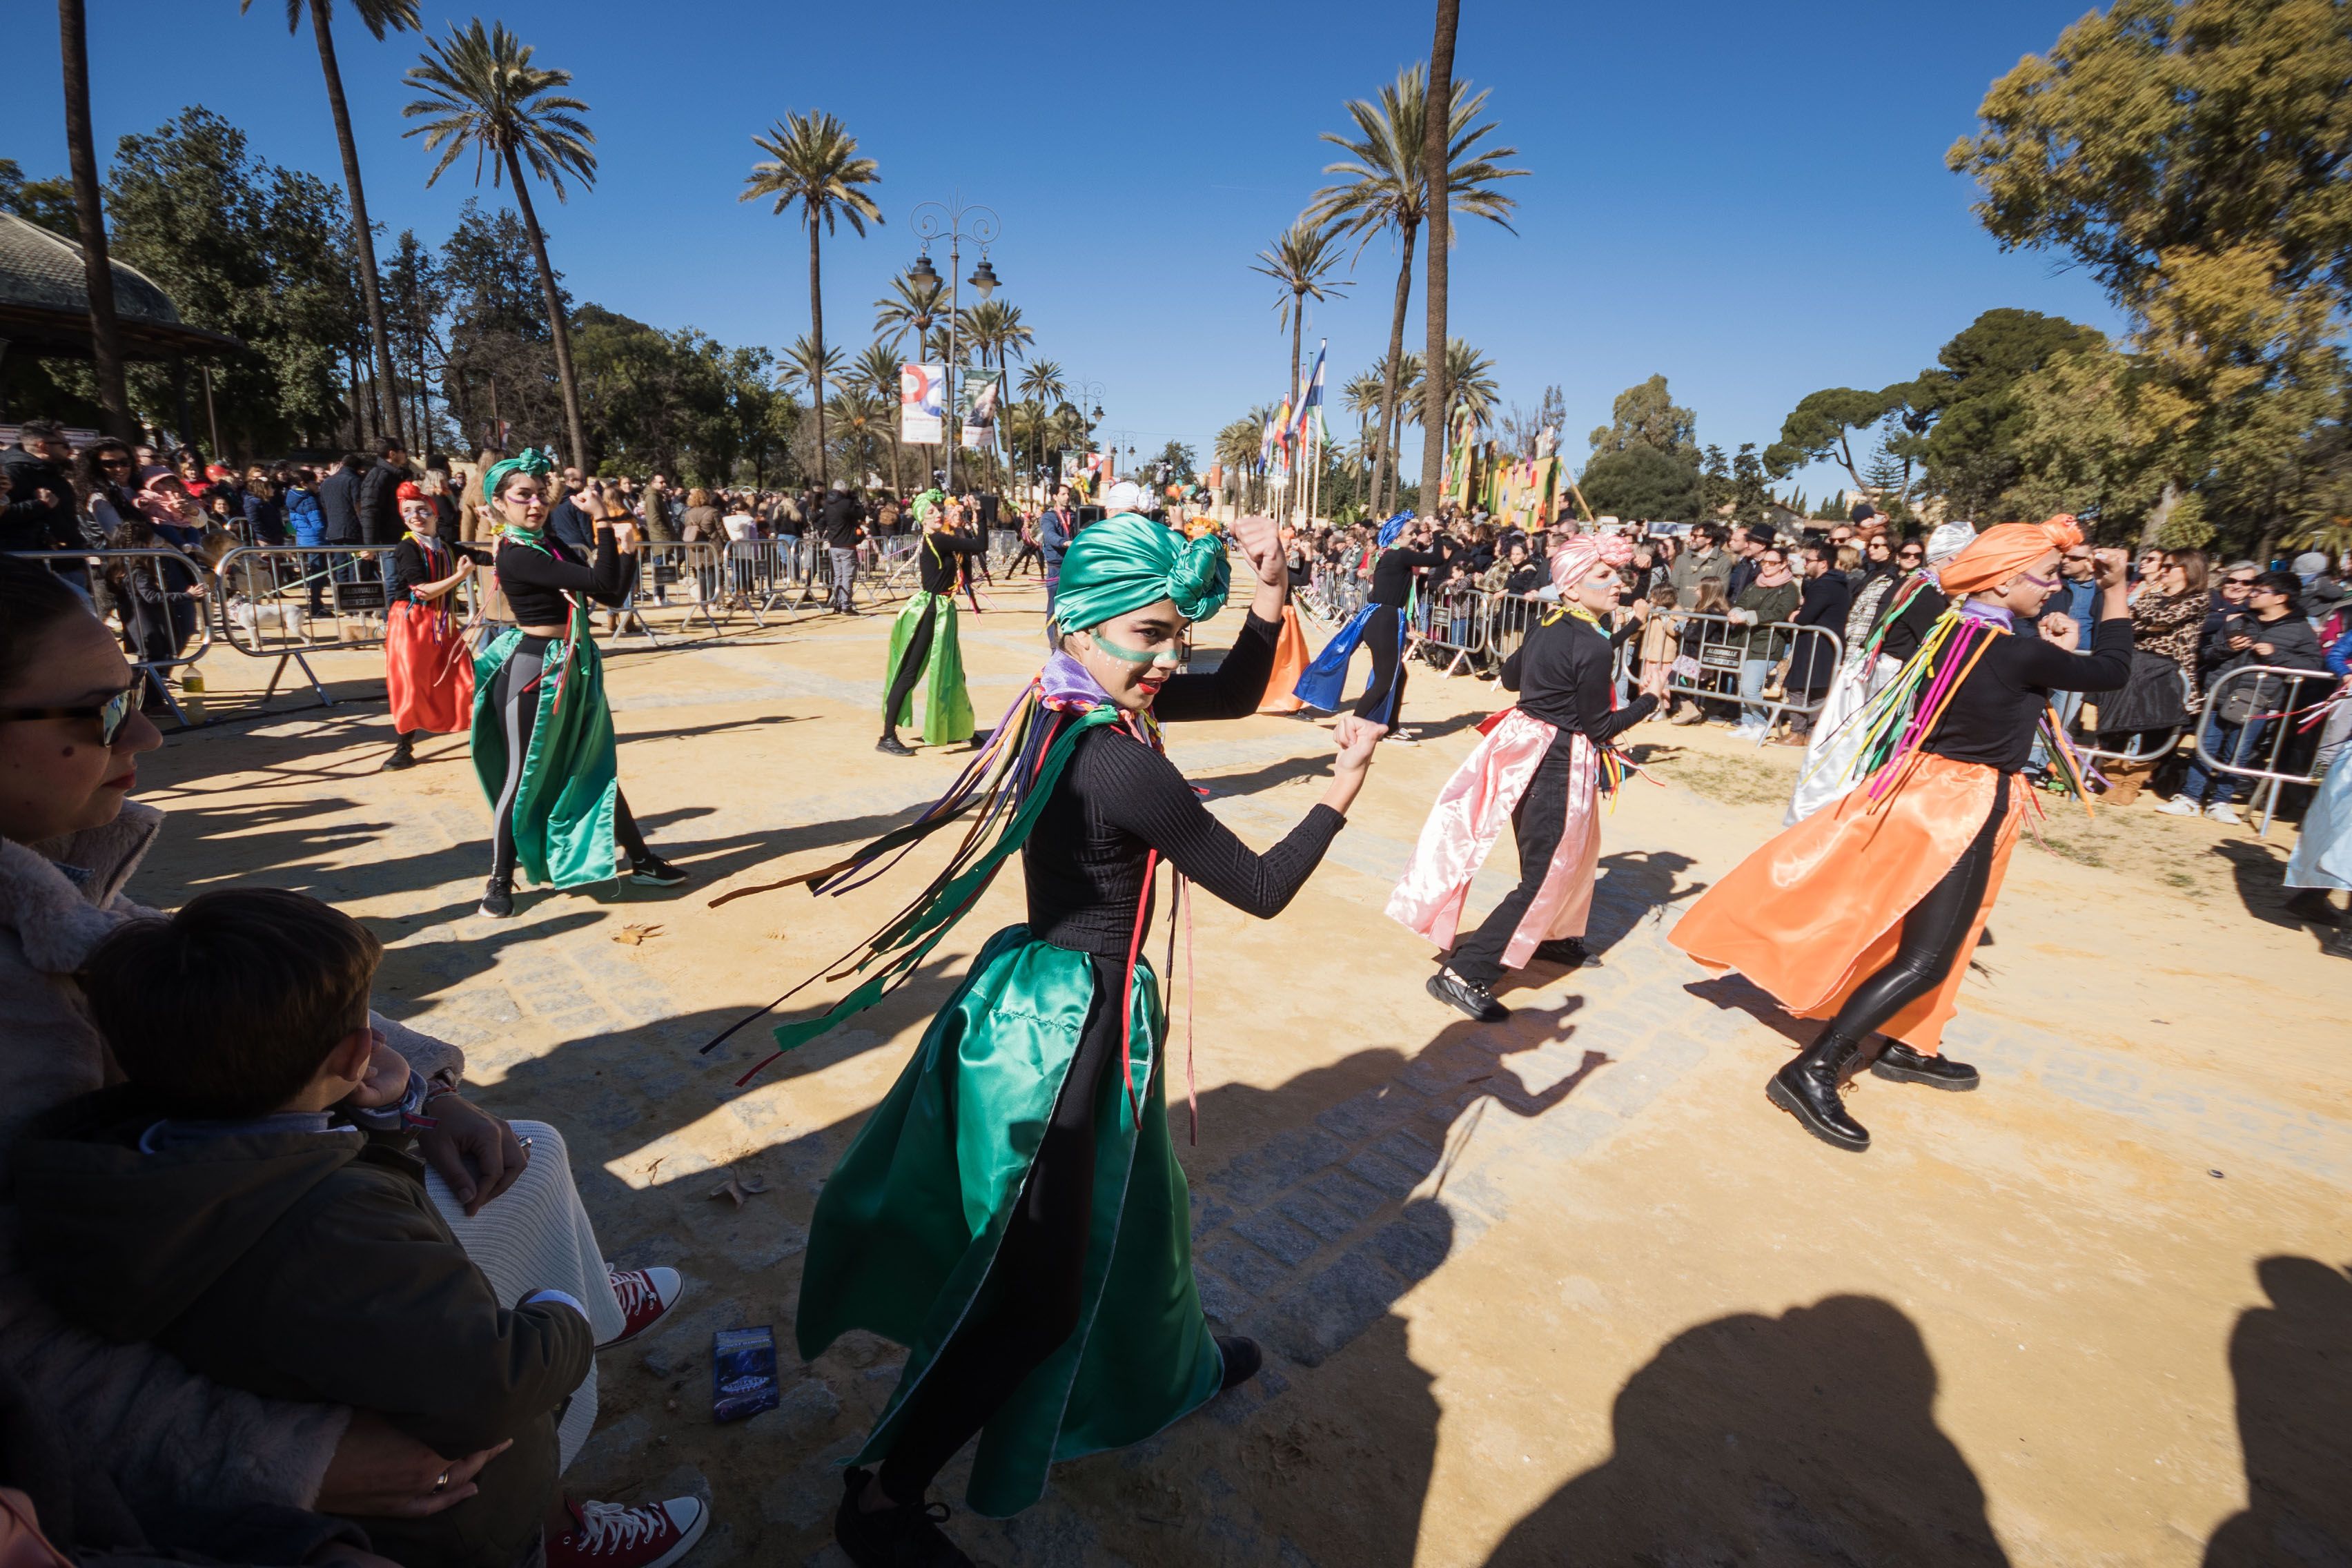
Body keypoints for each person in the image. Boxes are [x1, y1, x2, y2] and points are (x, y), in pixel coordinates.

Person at [0, 558, 692, 1565]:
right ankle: (557, 1414)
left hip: (199, 1244)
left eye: (139, 695)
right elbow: (20, 1358)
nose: (145, 734)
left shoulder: (53, 888)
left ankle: (573, 1321)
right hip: (167, 1380)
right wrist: (291, 1456)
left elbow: (184, 964)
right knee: (476, 1375)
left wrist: (421, 1092)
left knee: (522, 1155)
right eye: (98, 714)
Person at [761, 512, 1378, 1567]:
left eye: (1177, 633)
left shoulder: (1066, 695)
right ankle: (881, 1500)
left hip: (1050, 993)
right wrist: (1341, 791)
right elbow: (1264, 889)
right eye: (1150, 635)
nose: (1167, 658)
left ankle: (1170, 1369)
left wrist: (1267, 591)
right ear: (1079, 625)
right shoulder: (1120, 765)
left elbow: (1230, 690)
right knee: (1037, 1291)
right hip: (1070, 1030)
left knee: (1133, 1214)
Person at [12, 888, 629, 1568]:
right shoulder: (336, 1227)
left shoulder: (137, 1161)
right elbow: (494, 1384)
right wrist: (558, 1309)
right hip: (457, 1521)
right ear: (359, 1049)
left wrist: (391, 1107)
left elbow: (297, 1148)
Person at [1672, 520, 2132, 1153]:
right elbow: (2111, 672)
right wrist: (2115, 593)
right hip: (1962, 803)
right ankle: (1814, 1069)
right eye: (2045, 577)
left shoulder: (1957, 631)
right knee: (1927, 954)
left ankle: (1905, 1040)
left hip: (1928, 789)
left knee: (1930, 932)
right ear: (2001, 580)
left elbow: (1995, 649)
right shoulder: (2015, 651)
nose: (2055, 588)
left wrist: (2047, 635)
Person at [1393, 534, 1653, 1023]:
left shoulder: (1551, 622)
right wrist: (1650, 701)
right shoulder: (1585, 643)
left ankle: (1554, 937)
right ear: (1571, 587)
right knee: (1544, 871)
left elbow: (1513, 678)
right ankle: (1464, 972)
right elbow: (1600, 728)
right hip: (1554, 761)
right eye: (1604, 576)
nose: (1617, 584)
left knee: (1572, 855)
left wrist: (1612, 640)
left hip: (1525, 752)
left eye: (1616, 575)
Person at [471, 451, 685, 919]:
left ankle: (642, 859)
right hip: (534, 673)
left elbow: (607, 591)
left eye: (538, 494)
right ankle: (500, 879)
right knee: (519, 776)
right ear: (499, 504)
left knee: (593, 763)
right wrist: (604, 521)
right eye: (521, 496)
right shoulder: (517, 554)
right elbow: (599, 577)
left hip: (571, 667)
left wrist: (627, 550)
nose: (534, 503)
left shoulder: (545, 545)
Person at [1785, 522, 1976, 823]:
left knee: (1866, 744)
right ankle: (1853, 808)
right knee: (1866, 745)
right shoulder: (1924, 593)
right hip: (1884, 677)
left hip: (1881, 673)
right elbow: (1936, 642)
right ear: (1950, 560)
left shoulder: (1918, 586)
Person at [2160, 570, 2331, 823]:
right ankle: (2190, 797)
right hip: (2220, 694)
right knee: (2205, 747)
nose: (2252, 594)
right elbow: (2206, 653)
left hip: (2259, 701)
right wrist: (2227, 648)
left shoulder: (2300, 629)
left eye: (2260, 591)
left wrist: (2276, 656)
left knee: (2238, 753)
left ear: (2281, 598)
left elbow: (2314, 665)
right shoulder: (2238, 619)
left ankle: (2221, 802)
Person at [1295, 516, 1442, 744]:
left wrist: (1420, 542)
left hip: (1378, 619)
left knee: (1398, 676)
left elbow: (1418, 557)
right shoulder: (1400, 555)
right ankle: (1354, 726)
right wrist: (1438, 532)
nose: (1415, 536)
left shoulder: (1389, 555)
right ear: (1397, 536)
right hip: (1386, 622)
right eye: (1411, 533)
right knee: (1384, 681)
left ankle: (1390, 726)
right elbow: (1438, 558)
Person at [384, 482, 487, 772]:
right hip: (412, 625)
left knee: (464, 673)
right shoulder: (407, 547)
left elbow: (485, 557)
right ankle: (403, 747)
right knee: (412, 686)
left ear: (435, 515)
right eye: (408, 512)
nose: (415, 516)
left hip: (441, 623)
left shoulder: (444, 546)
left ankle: (485, 733)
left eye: (422, 510)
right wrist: (462, 576)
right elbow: (422, 591)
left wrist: (496, 524)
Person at [877, 501, 983, 755]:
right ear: (922, 520)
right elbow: (981, 546)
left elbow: (967, 564)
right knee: (909, 673)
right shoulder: (935, 539)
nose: (937, 515)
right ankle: (887, 736)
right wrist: (982, 515)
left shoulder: (943, 539)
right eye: (930, 512)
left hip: (943, 610)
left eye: (938, 511)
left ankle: (962, 729)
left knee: (953, 672)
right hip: (930, 611)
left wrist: (964, 526)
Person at [1776, 544, 1852, 745]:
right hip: (1823, 644)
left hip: (1817, 645)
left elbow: (1805, 618)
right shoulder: (1837, 583)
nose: (1805, 563)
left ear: (1823, 563)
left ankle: (1798, 733)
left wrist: (1795, 615)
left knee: (1799, 687)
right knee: (1818, 689)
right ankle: (1810, 733)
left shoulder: (1824, 585)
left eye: (1809, 560)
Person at [1727, 544, 1799, 736]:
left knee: (1751, 687)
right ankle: (1747, 722)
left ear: (1783, 565)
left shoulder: (1789, 588)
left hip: (1767, 643)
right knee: (1742, 686)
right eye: (1764, 562)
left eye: (1772, 563)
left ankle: (1761, 723)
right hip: (1743, 641)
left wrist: (1750, 616)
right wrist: (1737, 611)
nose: (1766, 566)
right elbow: (1741, 602)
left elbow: (1781, 612)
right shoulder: (1755, 583)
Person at [1, 420, 81, 557]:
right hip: (32, 564)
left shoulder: (54, 472)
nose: (70, 449)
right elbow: (4, 515)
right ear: (43, 446)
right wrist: (40, 505)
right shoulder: (13, 472)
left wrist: (80, 553)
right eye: (64, 444)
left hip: (68, 560)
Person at [817, 481, 865, 614]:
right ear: (844, 491)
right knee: (848, 576)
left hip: (834, 545)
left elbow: (819, 521)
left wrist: (830, 532)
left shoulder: (827, 504)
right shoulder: (847, 504)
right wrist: (855, 500)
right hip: (847, 545)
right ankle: (846, 605)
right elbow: (861, 514)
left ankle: (837, 603)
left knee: (838, 576)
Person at [1038, 484, 1077, 612]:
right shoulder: (1048, 517)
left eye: (1068, 494)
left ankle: (1070, 632)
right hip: (1056, 566)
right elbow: (1050, 536)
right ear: (1055, 497)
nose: (1067, 497)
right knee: (1053, 604)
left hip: (1072, 564)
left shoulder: (1075, 515)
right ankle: (1052, 632)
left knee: (1072, 602)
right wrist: (1065, 543)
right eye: (1063, 494)